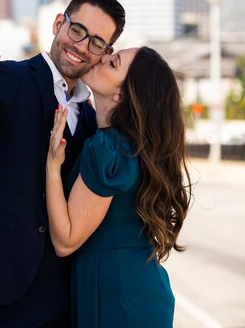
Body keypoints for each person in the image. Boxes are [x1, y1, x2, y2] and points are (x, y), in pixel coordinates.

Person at [0, 0, 126, 328]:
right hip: (6, 274)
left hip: (67, 284)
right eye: (77, 30)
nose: (81, 46)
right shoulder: (11, 79)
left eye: (96, 43)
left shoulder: (92, 116)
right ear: (57, 24)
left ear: (105, 53)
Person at [46, 46, 192, 328]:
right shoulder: (128, 145)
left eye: (112, 63)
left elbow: (65, 240)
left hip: (117, 296)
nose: (101, 57)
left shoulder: (110, 147)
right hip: (134, 290)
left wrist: (53, 167)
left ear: (121, 95)